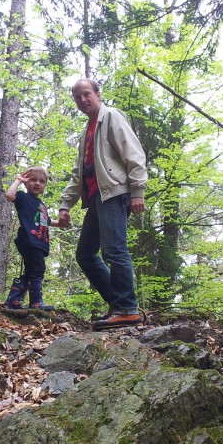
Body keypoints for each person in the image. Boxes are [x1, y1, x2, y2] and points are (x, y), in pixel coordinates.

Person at [58, 78, 147, 330]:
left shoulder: (111, 117)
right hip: (96, 197)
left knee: (114, 250)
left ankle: (127, 309)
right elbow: (80, 173)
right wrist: (66, 204)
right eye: (77, 97)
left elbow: (134, 153)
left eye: (86, 94)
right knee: (85, 254)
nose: (82, 100)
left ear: (98, 94)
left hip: (115, 193)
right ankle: (119, 304)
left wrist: (137, 190)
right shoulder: (87, 131)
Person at [4, 166, 60, 310]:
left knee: (30, 272)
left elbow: (46, 221)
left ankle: (13, 300)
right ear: (26, 182)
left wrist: (61, 223)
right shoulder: (23, 197)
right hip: (29, 240)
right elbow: (10, 195)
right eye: (33, 180)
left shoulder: (41, 205)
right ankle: (36, 303)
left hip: (39, 242)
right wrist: (18, 180)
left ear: (44, 186)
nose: (37, 183)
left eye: (41, 181)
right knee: (38, 269)